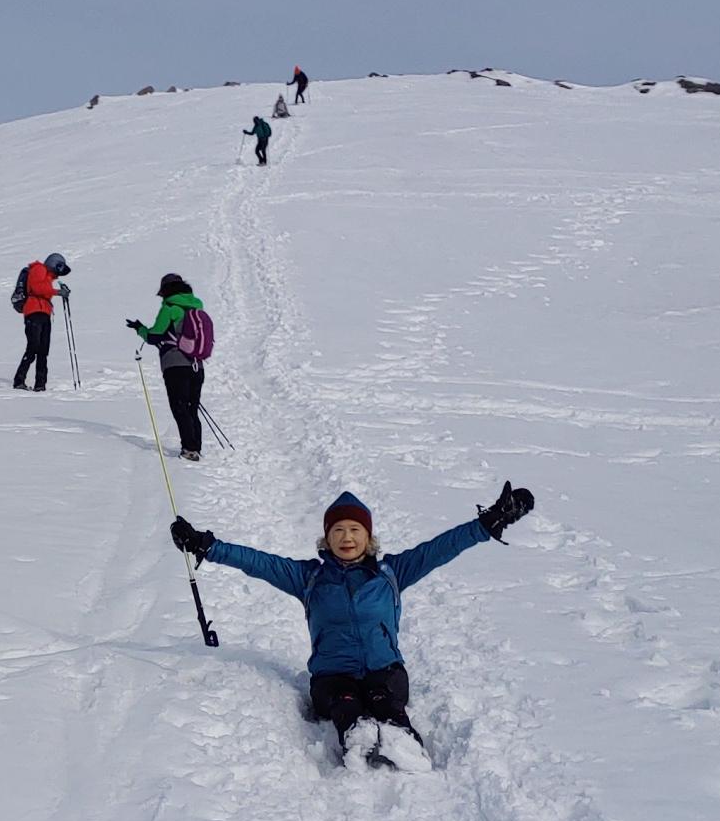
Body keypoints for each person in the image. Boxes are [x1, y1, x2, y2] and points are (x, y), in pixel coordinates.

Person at [169, 483, 536, 768]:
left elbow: (439, 548)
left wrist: (488, 523)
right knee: (346, 704)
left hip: (385, 671)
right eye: (339, 530)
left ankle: (404, 742)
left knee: (383, 699)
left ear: (368, 537)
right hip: (332, 678)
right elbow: (258, 562)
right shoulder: (308, 577)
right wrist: (207, 545)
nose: (347, 537)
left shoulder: (391, 573)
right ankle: (357, 741)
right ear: (326, 538)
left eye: (355, 529)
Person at [126, 273, 208, 460]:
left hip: (175, 365)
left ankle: (189, 449)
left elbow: (155, 336)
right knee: (192, 407)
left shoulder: (170, 308)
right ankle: (195, 447)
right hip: (197, 364)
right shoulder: (197, 307)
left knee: (180, 407)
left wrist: (140, 328)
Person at [12, 252, 71, 391]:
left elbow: (43, 289)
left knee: (43, 350)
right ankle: (19, 380)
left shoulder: (48, 276)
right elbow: (37, 288)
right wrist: (57, 292)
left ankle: (40, 384)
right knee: (33, 347)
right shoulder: (39, 269)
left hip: (44, 313)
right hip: (34, 312)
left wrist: (56, 291)